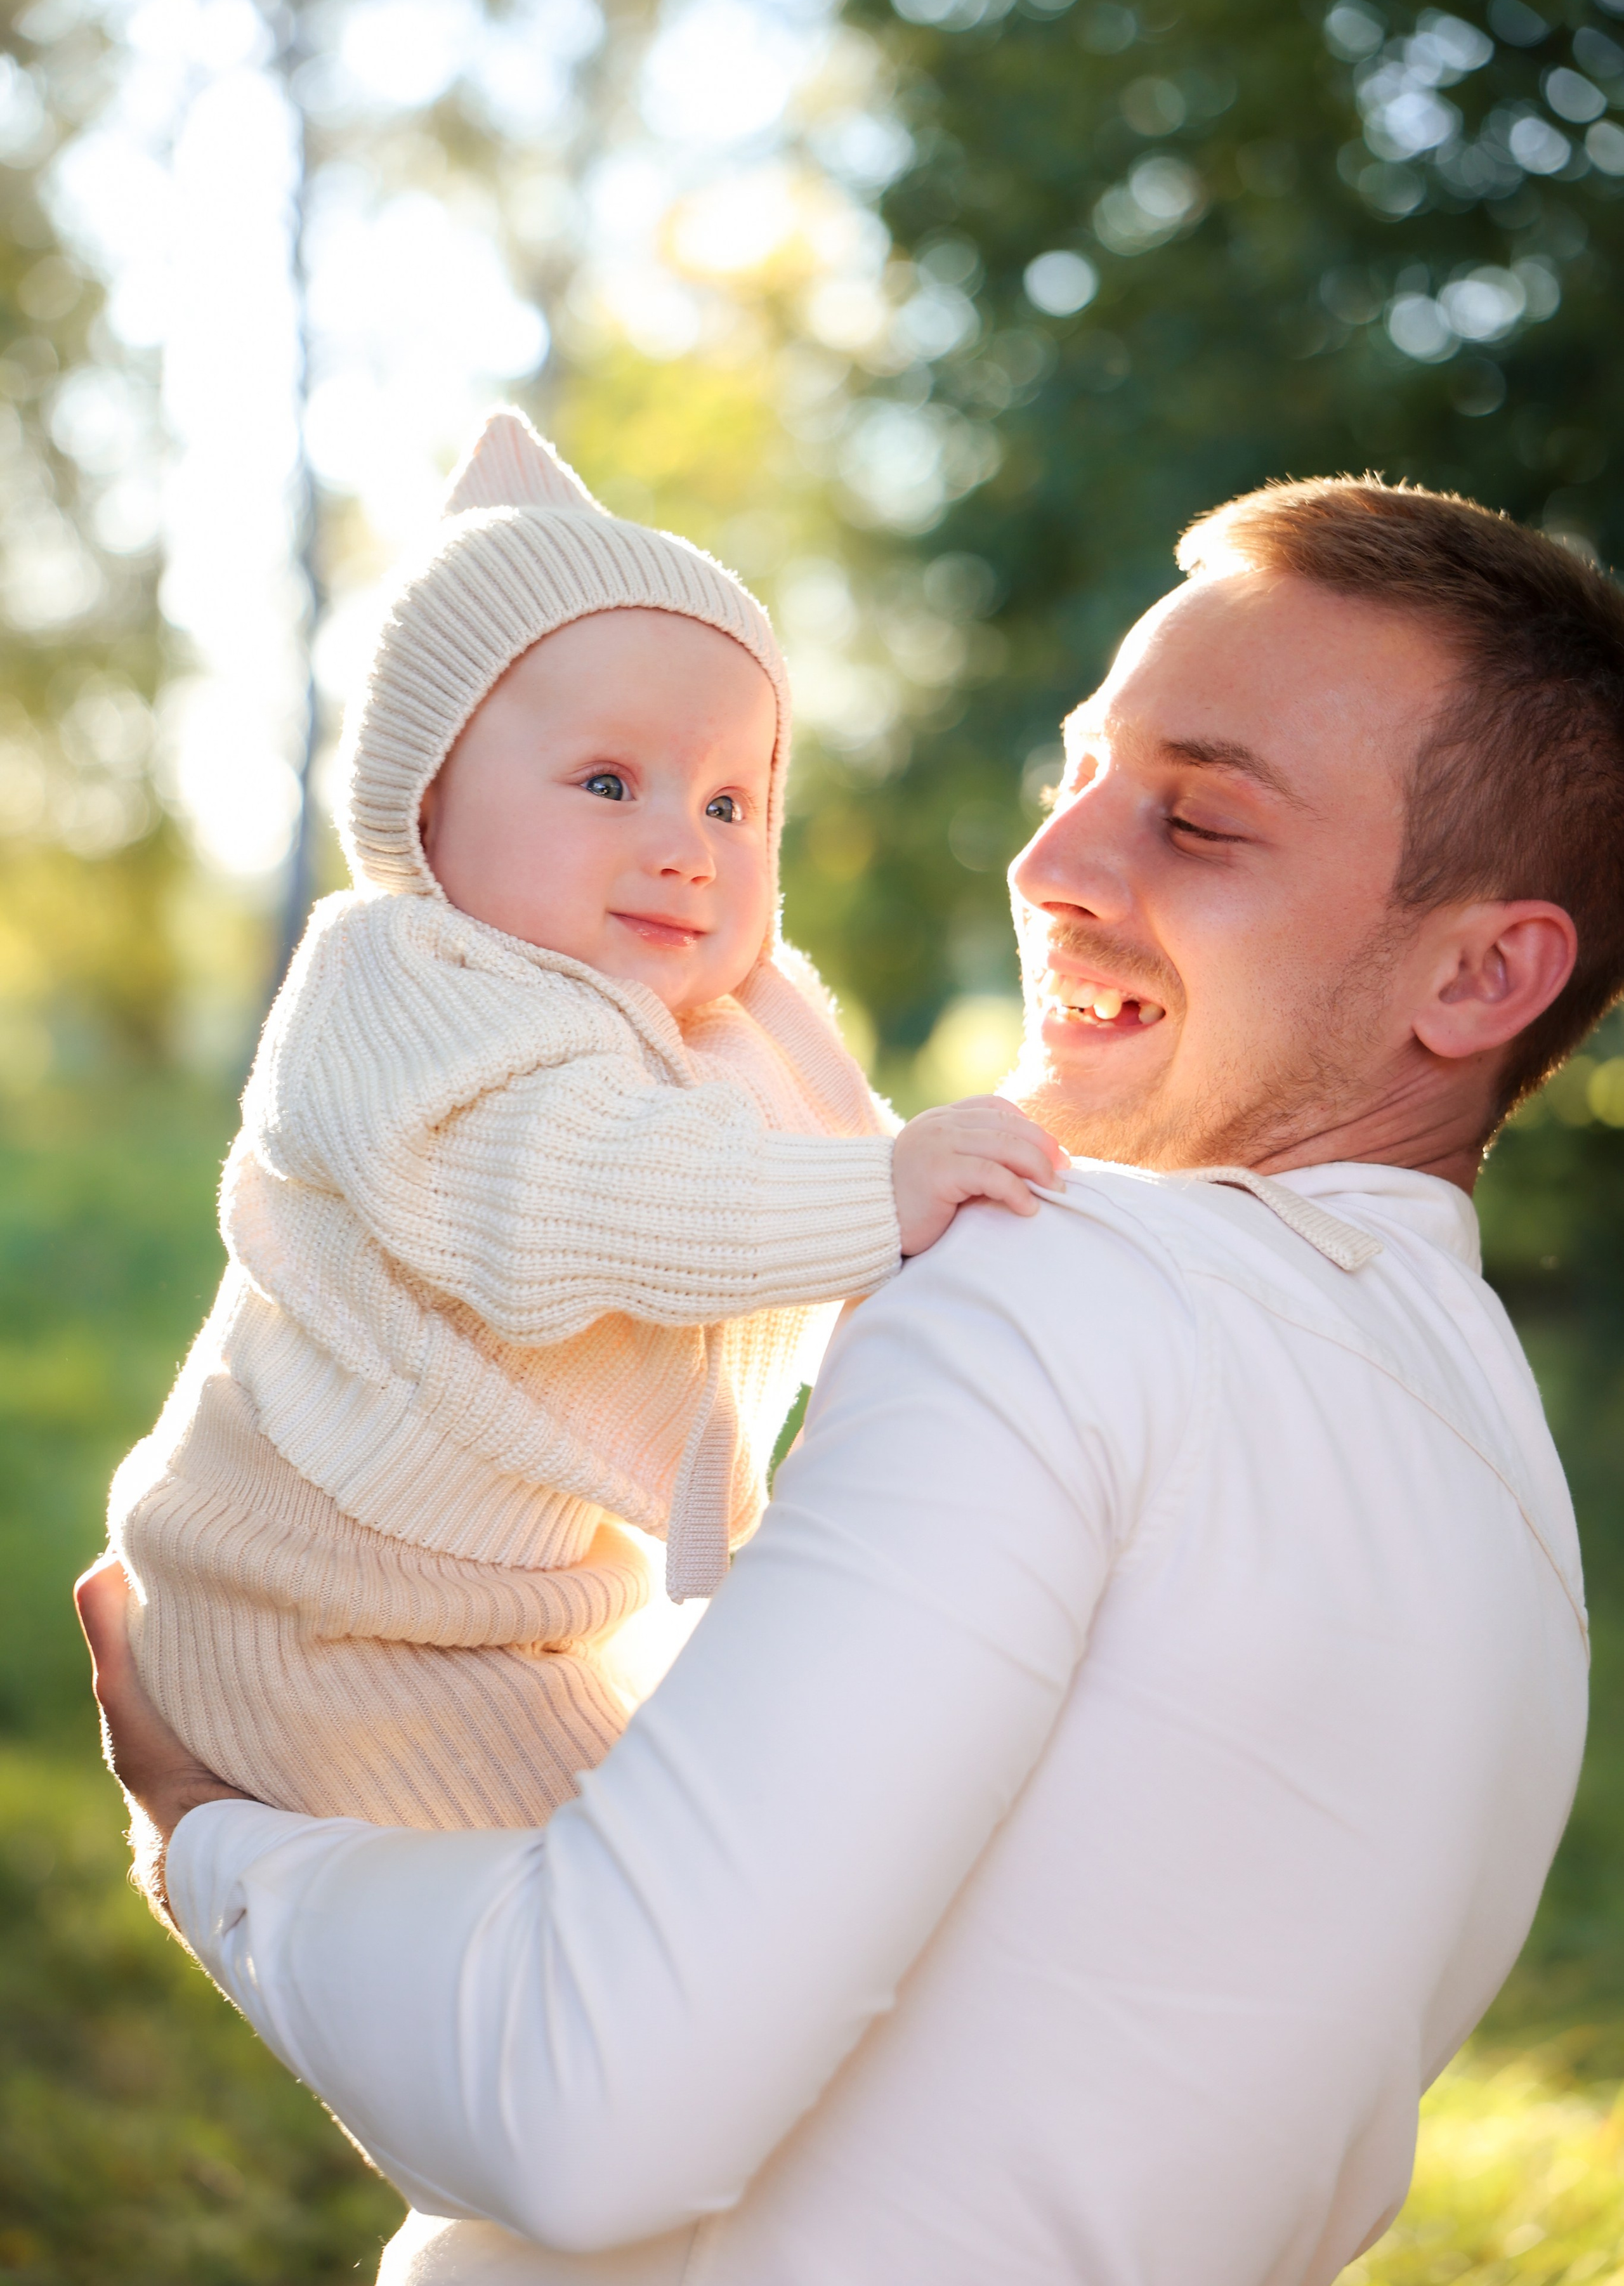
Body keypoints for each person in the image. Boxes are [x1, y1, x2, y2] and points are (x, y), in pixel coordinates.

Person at [81, 476, 1623, 2286]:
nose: (1051, 865)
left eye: (1198, 819)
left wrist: (218, 1844)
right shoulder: (1519, 1512)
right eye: (1081, 778)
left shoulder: (1057, 1295)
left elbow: (581, 2103)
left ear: (1486, 974)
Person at [105, 405, 1061, 1839]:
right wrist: (880, 1194)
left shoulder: (721, 1020)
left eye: (733, 801)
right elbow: (559, 1191)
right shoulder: (400, 980)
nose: (685, 843)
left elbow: (855, 1152)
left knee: (729, 1854)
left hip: (519, 1597)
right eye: (609, 784)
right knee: (618, 1905)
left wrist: (953, 1180)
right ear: (423, 804)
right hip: (320, 1602)